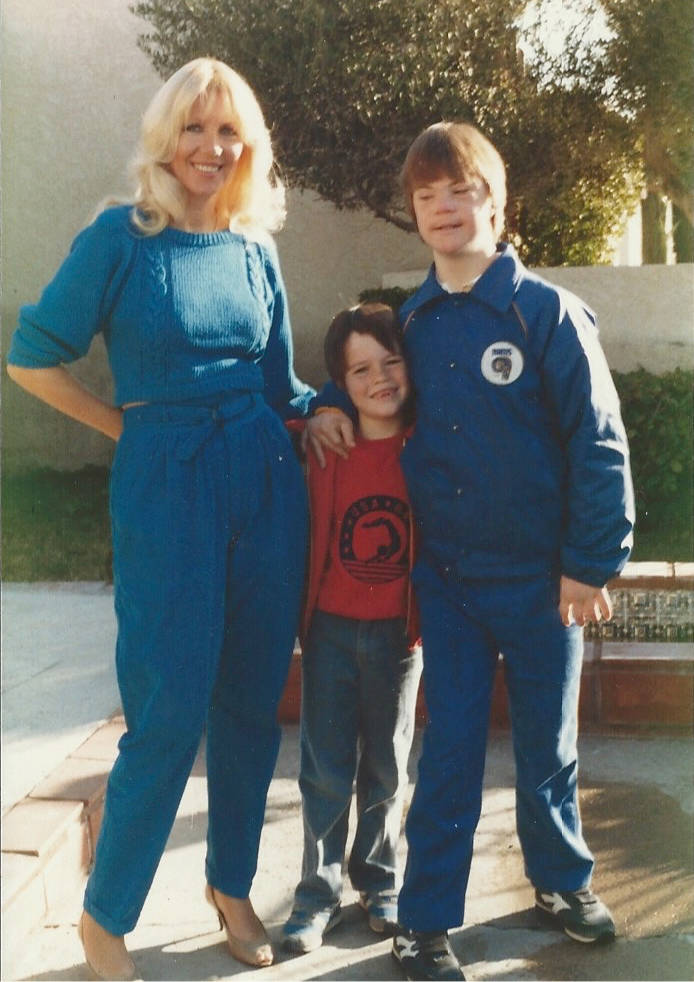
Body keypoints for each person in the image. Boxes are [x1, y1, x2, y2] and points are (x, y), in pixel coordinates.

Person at [7, 58, 314, 981]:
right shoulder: (120, 238)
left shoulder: (257, 250)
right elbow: (31, 355)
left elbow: (280, 385)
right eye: (194, 129)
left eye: (229, 133)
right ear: (164, 137)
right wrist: (126, 429)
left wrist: (328, 410)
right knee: (169, 707)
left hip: (264, 483)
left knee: (252, 707)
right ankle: (108, 915)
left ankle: (231, 887)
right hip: (167, 491)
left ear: (248, 148)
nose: (211, 149)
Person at [306, 122, 635, 982]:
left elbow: (598, 443)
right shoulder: (413, 321)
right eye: (427, 197)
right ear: (414, 214)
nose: (444, 208)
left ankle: (561, 881)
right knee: (448, 749)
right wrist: (320, 408)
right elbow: (366, 383)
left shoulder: (546, 314)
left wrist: (590, 561)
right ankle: (424, 922)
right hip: (447, 585)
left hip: (541, 584)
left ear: (495, 201)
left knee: (547, 746)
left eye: (461, 191)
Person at [282, 303, 423, 955]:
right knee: (326, 769)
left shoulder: (426, 445)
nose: (379, 378)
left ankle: (381, 883)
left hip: (397, 638)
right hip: (332, 632)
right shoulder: (326, 441)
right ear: (342, 379)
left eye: (391, 362)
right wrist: (316, 412)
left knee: (388, 767)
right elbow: (278, 422)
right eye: (361, 369)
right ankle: (316, 894)